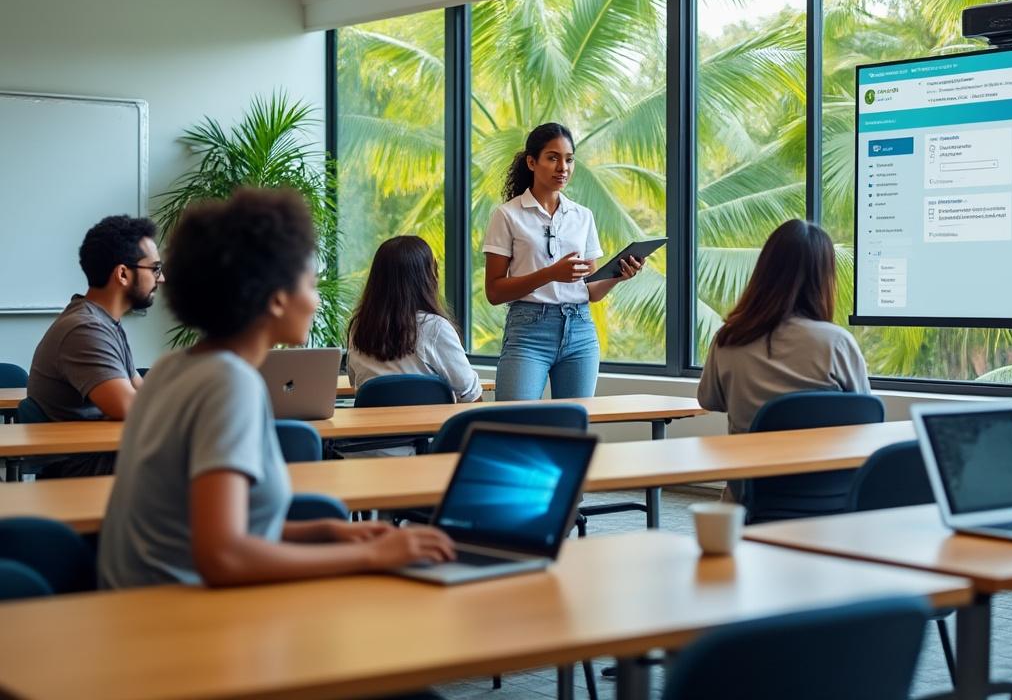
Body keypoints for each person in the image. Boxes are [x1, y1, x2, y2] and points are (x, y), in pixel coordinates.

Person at [99, 189, 454, 589]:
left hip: (147, 602)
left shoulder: (174, 368)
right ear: (277, 299)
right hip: (178, 619)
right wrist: (371, 555)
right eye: (311, 285)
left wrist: (326, 533)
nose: (317, 302)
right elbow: (223, 556)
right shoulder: (228, 384)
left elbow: (199, 528)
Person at [483, 122, 643, 401]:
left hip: (580, 330)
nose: (563, 168)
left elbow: (591, 291)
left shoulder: (583, 216)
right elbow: (494, 292)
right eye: (553, 158)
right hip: (528, 332)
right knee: (511, 426)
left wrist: (618, 275)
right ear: (532, 162)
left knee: (574, 427)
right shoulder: (507, 215)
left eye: (569, 160)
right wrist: (550, 274)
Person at [697, 219, 870, 435]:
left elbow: (709, 400)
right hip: (825, 467)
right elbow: (866, 410)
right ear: (824, 279)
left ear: (764, 271)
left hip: (747, 466)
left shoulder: (729, 338)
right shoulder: (836, 343)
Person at [27, 215, 163, 477]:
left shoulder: (106, 323)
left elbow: (142, 393)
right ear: (123, 274)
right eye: (155, 268)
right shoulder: (84, 328)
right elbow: (129, 406)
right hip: (82, 466)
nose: (161, 278)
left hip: (105, 454)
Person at [347, 236, 482, 402]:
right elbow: (470, 394)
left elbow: (355, 383)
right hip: (434, 428)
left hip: (374, 428)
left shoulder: (358, 328)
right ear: (427, 278)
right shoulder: (435, 328)